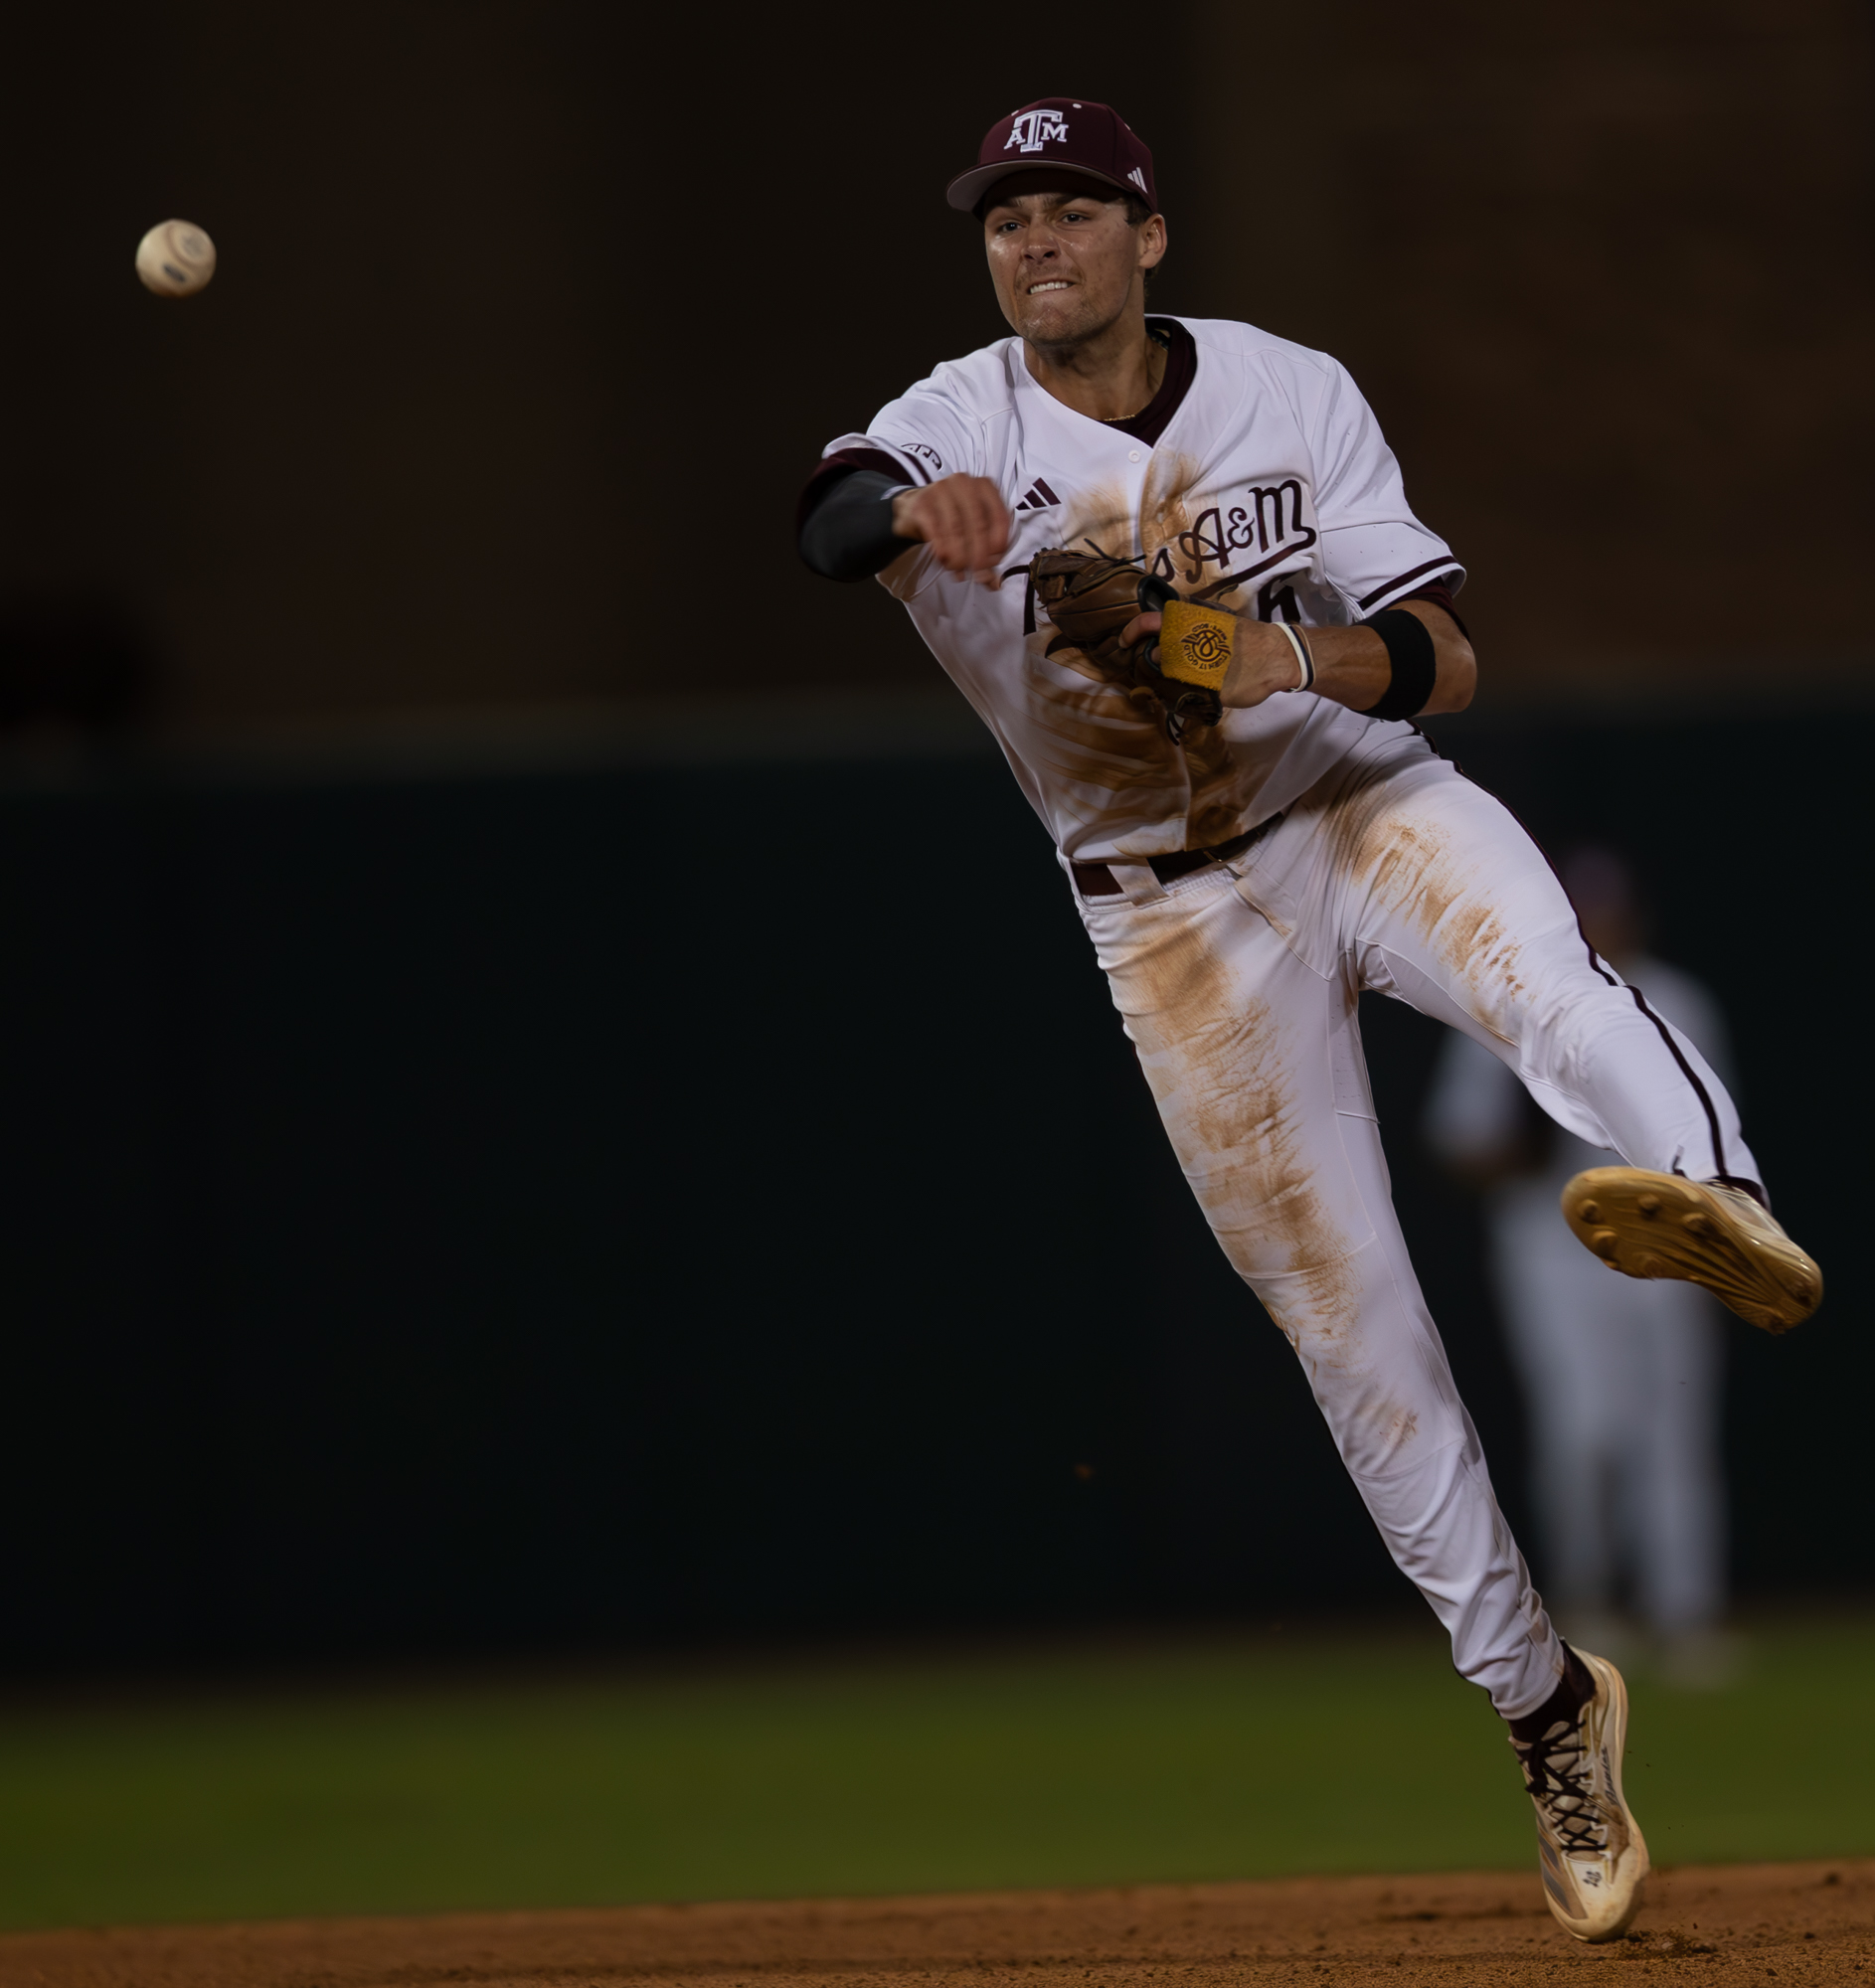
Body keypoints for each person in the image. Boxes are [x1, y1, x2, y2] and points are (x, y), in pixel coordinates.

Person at [796, 96, 1822, 1943]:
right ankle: (1545, 1711)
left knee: (1542, 979)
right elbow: (826, 515)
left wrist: (1266, 653)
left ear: (1151, 236)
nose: (1037, 239)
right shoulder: (963, 416)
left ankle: (1716, 1195)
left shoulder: (1287, 387)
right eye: (1008, 214)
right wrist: (908, 512)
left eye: (1074, 209)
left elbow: (1441, 652)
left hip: (1359, 799)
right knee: (1352, 1334)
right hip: (1171, 918)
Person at [1425, 849, 1738, 1683]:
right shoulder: (1505, 999)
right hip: (1552, 1248)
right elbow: (1461, 1140)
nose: (1599, 925)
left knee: (1673, 1433)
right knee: (1585, 1430)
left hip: (1668, 1246)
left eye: (1609, 909)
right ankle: (1590, 1601)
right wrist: (1513, 1141)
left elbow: (1713, 1141)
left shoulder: (1675, 1001)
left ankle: (1686, 1614)